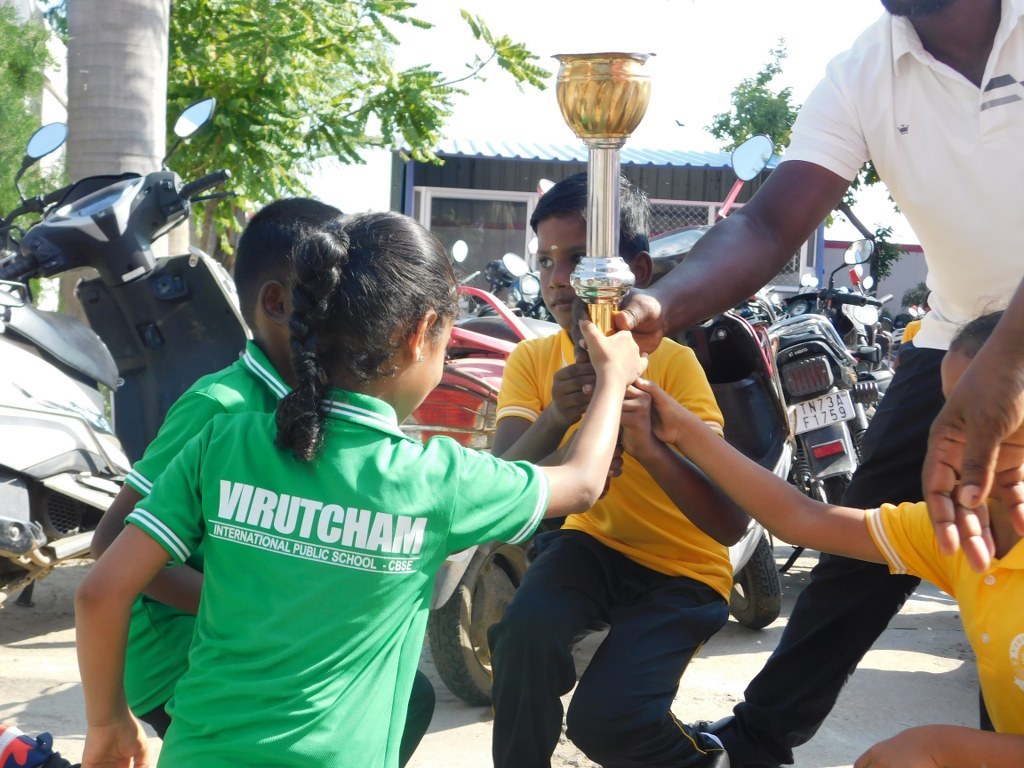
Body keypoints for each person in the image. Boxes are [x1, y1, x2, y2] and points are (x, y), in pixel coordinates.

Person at [75, 210, 647, 768]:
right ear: (420, 333)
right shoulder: (433, 478)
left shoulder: (222, 442)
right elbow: (582, 482)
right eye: (448, 344)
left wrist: (108, 723)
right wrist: (612, 378)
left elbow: (99, 592)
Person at [610, 1, 1024, 764]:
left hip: (998, 349)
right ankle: (759, 738)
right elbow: (767, 225)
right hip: (959, 338)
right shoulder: (864, 71)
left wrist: (1010, 358)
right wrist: (663, 304)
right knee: (870, 544)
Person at [88, 198, 435, 764]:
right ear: (277, 303)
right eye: (330, 295)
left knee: (398, 694)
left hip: (255, 635)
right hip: (180, 652)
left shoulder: (324, 403)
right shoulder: (221, 406)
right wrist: (255, 605)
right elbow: (108, 545)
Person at [636, 310, 1024, 768]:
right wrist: (680, 427)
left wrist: (941, 749)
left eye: (989, 411)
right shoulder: (956, 531)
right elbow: (802, 518)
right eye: (948, 408)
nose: (955, 433)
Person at [487, 172, 748, 768]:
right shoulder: (533, 360)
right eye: (546, 259)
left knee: (608, 721)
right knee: (524, 638)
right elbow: (501, 479)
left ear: (636, 272)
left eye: (578, 258)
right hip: (590, 545)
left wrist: (651, 444)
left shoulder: (673, 365)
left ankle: (707, 759)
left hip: (684, 569)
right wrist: (557, 416)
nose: (558, 278)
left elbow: (728, 521)